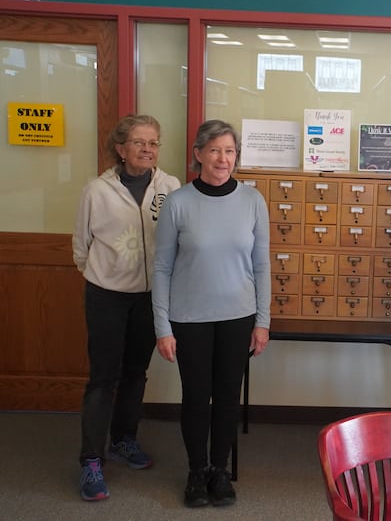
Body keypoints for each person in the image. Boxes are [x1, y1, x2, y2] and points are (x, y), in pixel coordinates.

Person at [152, 119, 271, 508]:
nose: (223, 158)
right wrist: (162, 326)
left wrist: (263, 321)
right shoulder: (178, 202)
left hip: (238, 315)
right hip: (189, 318)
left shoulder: (253, 201)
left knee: (227, 397)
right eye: (215, 150)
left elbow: (262, 266)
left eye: (230, 151)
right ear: (198, 154)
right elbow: (162, 268)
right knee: (195, 396)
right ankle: (196, 471)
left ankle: (219, 470)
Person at [72, 114, 181, 501]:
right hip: (106, 294)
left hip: (150, 297)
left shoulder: (170, 187)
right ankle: (91, 460)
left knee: (136, 373)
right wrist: (107, 276)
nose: (147, 149)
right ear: (121, 148)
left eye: (153, 143)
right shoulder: (97, 191)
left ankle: (124, 440)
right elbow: (81, 248)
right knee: (103, 377)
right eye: (139, 142)